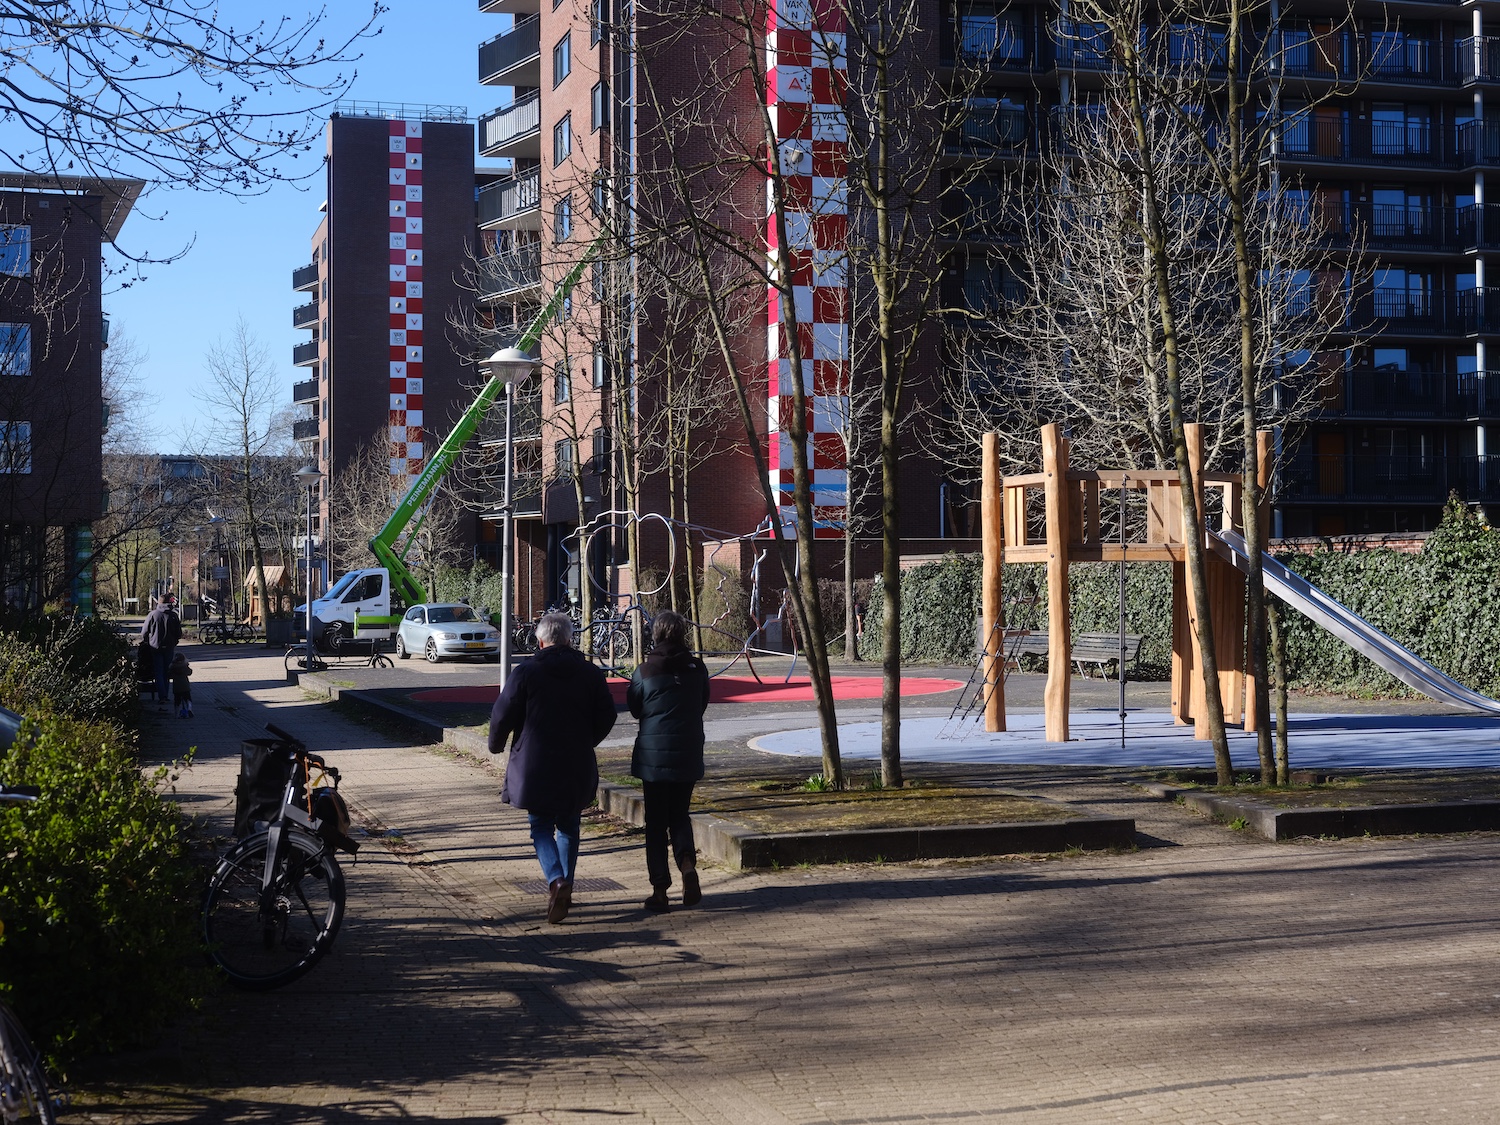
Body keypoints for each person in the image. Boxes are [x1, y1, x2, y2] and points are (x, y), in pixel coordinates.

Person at [489, 611, 616, 924]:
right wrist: (589, 740)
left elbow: (503, 713)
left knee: (541, 826)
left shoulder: (526, 672)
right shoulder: (590, 674)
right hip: (575, 761)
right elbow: (608, 715)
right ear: (569, 639)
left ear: (540, 639)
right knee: (570, 826)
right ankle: (565, 888)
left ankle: (557, 880)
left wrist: (496, 744)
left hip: (535, 764)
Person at [627, 610, 711, 912]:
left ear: (657, 634)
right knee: (679, 815)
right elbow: (701, 704)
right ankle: (687, 864)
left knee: (655, 823)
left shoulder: (645, 670)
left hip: (653, 757)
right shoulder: (698, 668)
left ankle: (660, 890)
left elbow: (634, 708)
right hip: (688, 751)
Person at [140, 596, 183, 711]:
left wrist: (146, 641)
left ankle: (162, 696)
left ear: (158, 603)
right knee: (166, 671)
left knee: (158, 671)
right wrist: (175, 641)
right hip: (169, 647)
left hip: (155, 647)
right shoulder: (173, 615)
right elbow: (179, 633)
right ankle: (166, 695)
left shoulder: (153, 615)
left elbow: (144, 632)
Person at [169, 652, 193, 719]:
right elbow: (190, 672)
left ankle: (176, 714)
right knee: (188, 698)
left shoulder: (173, 667)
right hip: (185, 686)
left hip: (176, 687)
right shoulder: (185, 666)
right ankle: (189, 708)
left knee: (177, 700)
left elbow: (169, 675)